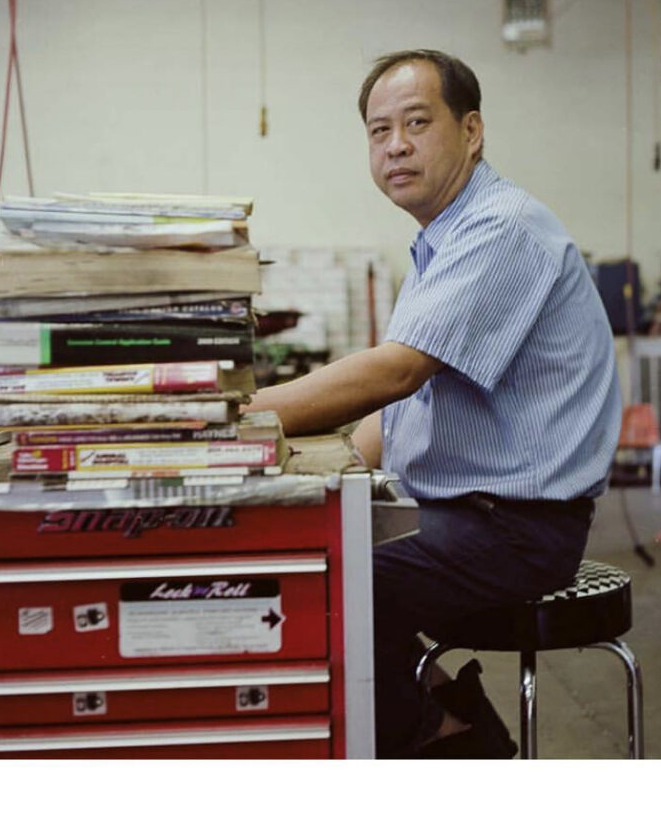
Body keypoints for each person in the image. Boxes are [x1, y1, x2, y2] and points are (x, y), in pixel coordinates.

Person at [246, 49, 621, 758]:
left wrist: (236, 418)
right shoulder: (440, 243)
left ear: (471, 131)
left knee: (324, 587)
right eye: (378, 130)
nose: (395, 145)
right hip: (464, 513)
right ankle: (451, 726)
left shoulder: (500, 230)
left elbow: (396, 372)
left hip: (516, 529)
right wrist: (312, 472)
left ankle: (449, 743)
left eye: (417, 122)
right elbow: (399, 410)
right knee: (305, 551)